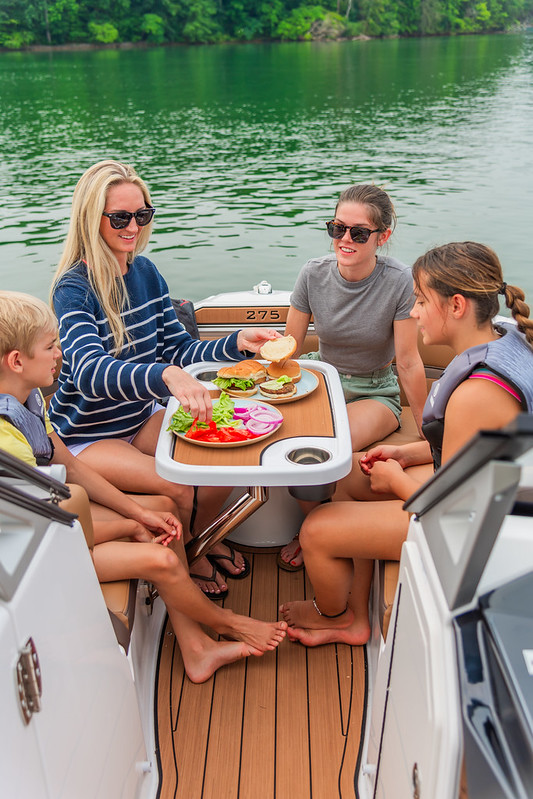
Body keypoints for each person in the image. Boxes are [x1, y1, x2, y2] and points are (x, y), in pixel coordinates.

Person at [0, 291, 287, 682]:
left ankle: (196, 651)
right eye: (51, 347)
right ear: (17, 361)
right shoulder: (7, 440)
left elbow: (69, 467)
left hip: (59, 519)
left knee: (162, 513)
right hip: (40, 555)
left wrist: (138, 513)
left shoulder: (29, 399)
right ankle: (230, 623)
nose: (60, 355)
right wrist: (130, 525)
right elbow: (53, 532)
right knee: (163, 558)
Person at [279, 241, 533, 645]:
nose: (413, 311)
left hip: (478, 527)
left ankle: (334, 614)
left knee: (316, 530)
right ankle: (358, 617)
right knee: (346, 473)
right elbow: (471, 454)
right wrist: (402, 452)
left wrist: (395, 478)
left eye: (419, 300)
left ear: (457, 306)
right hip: (481, 491)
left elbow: (447, 508)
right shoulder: (505, 335)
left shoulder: (479, 392)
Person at [48, 159, 281, 599]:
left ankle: (195, 542)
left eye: (142, 214)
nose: (133, 226)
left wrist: (237, 344)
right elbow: (89, 372)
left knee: (221, 462)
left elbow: (179, 351)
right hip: (87, 434)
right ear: (90, 218)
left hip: (138, 416)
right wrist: (167, 376)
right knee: (177, 484)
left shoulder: (146, 272)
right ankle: (193, 554)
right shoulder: (73, 289)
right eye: (120, 217)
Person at [279, 183, 427, 569]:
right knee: (288, 440)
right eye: (336, 228)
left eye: (358, 233)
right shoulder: (313, 273)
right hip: (320, 378)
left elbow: (408, 362)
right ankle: (314, 525)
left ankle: (319, 530)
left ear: (382, 236)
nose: (345, 239)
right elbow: (289, 345)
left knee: (330, 444)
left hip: (375, 390)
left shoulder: (399, 281)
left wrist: (430, 426)